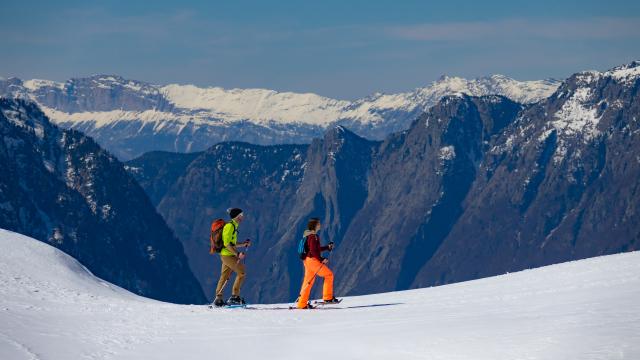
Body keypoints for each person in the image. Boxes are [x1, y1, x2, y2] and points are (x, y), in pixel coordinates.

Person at [297, 217, 339, 309]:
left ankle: (301, 304)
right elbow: (313, 251)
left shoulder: (308, 236)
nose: (320, 225)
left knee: (308, 282)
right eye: (318, 224)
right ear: (315, 225)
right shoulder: (314, 236)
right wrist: (321, 259)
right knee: (329, 275)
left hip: (307, 261)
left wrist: (327, 247)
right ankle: (327, 298)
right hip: (313, 261)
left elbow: (315, 249)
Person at [213, 208, 251, 307]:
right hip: (227, 255)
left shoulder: (233, 226)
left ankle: (218, 299)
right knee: (241, 272)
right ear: (237, 216)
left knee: (224, 276)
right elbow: (226, 244)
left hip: (226, 254)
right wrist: (237, 254)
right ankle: (235, 296)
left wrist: (243, 244)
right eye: (241, 215)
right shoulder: (230, 226)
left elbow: (232, 243)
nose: (242, 217)